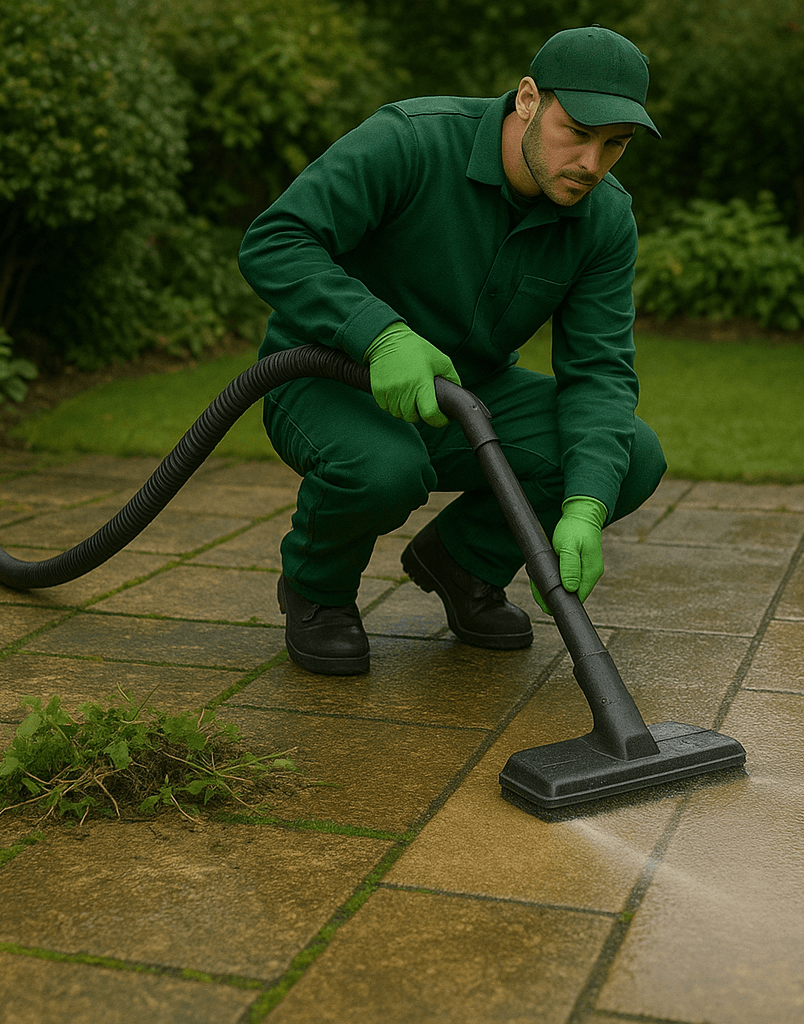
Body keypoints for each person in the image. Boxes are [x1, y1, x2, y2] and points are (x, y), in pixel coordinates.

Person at [238, 25, 668, 676]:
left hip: (464, 394)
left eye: (615, 146)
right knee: (385, 468)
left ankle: (463, 563)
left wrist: (584, 505)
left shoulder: (604, 219)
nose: (591, 163)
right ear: (528, 99)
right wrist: (377, 332)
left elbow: (600, 374)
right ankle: (317, 591)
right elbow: (275, 240)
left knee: (626, 458)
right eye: (577, 133)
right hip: (326, 377)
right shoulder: (411, 141)